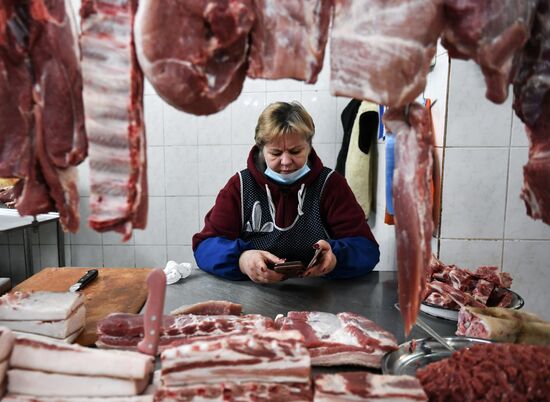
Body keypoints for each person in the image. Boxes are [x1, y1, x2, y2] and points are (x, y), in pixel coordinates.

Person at [192, 101, 380, 283]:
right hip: (253, 296)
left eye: (296, 151)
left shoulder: (330, 185)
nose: (286, 161)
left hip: (317, 295)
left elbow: (366, 249)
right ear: (261, 149)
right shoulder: (240, 186)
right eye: (275, 153)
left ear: (309, 146)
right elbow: (205, 247)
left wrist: (336, 258)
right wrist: (242, 260)